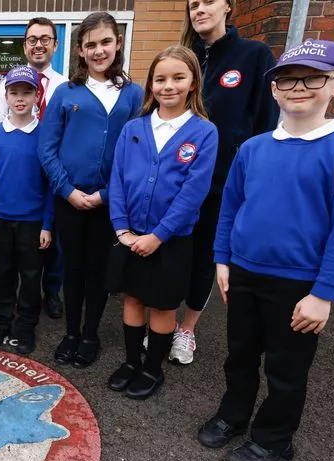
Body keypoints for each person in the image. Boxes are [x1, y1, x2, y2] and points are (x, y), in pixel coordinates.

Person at [198, 40, 334, 461]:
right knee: (239, 354)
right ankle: (234, 414)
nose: (298, 87)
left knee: (286, 368)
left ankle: (274, 438)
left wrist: (324, 294)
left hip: (299, 284)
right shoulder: (254, 149)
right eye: (286, 79)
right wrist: (223, 259)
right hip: (244, 272)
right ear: (274, 89)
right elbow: (231, 208)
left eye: (313, 78)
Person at [169, 0, 279, 365]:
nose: (199, 10)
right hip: (176, 181)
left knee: (204, 259)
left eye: (208, 2)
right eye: (193, 4)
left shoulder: (253, 55)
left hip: (221, 183)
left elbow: (265, 124)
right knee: (172, 255)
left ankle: (187, 331)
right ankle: (165, 324)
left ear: (228, 7)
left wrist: (252, 183)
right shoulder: (185, 58)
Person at [106, 46, 217, 399]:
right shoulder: (134, 128)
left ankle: (152, 369)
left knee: (162, 305)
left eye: (178, 78)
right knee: (133, 299)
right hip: (130, 237)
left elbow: (193, 193)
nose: (168, 86)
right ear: (151, 84)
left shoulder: (204, 132)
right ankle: (130, 361)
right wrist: (121, 228)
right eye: (160, 78)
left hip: (170, 241)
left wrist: (159, 235)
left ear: (193, 83)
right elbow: (118, 179)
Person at [38, 12, 143, 368]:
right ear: (80, 51)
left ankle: (91, 334)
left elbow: (138, 154)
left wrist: (107, 194)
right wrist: (66, 189)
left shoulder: (133, 94)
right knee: (73, 267)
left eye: (105, 42)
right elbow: (46, 147)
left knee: (99, 270)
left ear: (118, 44)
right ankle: (70, 331)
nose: (99, 51)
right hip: (69, 198)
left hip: (109, 201)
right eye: (91, 45)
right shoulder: (66, 93)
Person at [0, 17, 67, 319]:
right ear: (25, 45)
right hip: (20, 171)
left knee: (51, 242)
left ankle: (52, 292)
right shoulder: (10, 86)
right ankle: (14, 306)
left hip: (54, 173)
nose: (38, 44)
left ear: (55, 44)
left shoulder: (64, 85)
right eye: (32, 39)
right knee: (21, 254)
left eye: (45, 38)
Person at [0, 66, 53, 355]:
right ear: (5, 97)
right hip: (0, 218)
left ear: (37, 95)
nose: (20, 98)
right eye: (14, 93)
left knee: (31, 276)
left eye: (27, 92)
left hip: (33, 221)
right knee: (2, 274)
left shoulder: (46, 136)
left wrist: (47, 224)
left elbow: (50, 186)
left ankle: (25, 325)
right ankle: (0, 322)